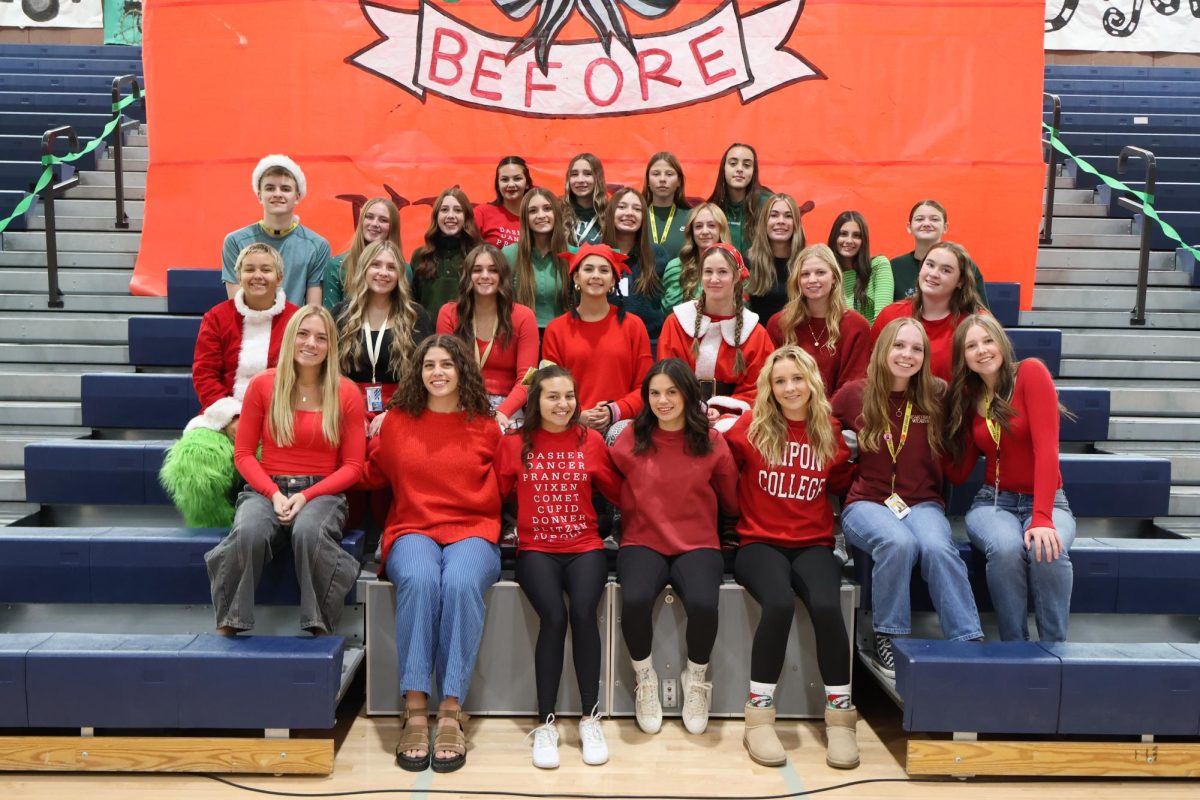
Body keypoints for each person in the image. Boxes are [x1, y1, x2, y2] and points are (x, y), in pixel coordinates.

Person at [360, 335, 502, 773]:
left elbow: (509, 480)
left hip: (473, 530)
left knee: (459, 583)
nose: (437, 372)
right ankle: (416, 706)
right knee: (421, 580)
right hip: (412, 528)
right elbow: (370, 473)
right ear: (418, 373)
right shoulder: (397, 422)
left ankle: (452, 708)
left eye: (447, 364)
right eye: (429, 365)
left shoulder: (486, 425)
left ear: (463, 371)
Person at [724, 346, 858, 770]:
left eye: (797, 378)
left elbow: (840, 476)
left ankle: (841, 719)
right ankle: (759, 716)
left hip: (813, 543)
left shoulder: (829, 432)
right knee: (779, 604)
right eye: (780, 380)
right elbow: (720, 464)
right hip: (758, 544)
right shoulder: (751, 427)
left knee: (825, 604)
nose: (789, 387)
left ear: (811, 382)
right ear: (769, 386)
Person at [832, 318, 983, 678]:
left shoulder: (937, 395)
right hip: (867, 503)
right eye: (899, 345)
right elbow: (819, 432)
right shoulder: (855, 393)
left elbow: (964, 436)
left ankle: (967, 638)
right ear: (884, 348)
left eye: (917, 348)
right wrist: (846, 464)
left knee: (937, 547)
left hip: (922, 502)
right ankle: (889, 635)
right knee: (897, 543)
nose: (907, 355)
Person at [204, 305, 364, 637]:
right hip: (266, 488)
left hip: (322, 492)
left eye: (321, 338)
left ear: (330, 346)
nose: (311, 343)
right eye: (303, 334)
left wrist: (305, 496)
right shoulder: (263, 385)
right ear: (290, 337)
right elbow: (245, 454)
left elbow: (353, 467)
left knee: (309, 533)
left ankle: (320, 628)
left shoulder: (346, 391)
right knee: (248, 532)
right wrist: (274, 494)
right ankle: (228, 624)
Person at [495, 365, 623, 769]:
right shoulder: (515, 444)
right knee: (553, 617)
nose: (563, 404)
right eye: (553, 396)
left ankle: (589, 718)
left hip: (585, 546)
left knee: (584, 614)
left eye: (569, 396)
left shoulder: (591, 441)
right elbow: (495, 495)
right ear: (536, 400)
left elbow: (619, 491)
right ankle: (546, 722)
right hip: (537, 550)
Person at [610, 360, 739, 736]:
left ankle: (696, 678)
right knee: (633, 600)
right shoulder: (631, 436)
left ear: (687, 394)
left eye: (671, 392)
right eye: (654, 393)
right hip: (642, 541)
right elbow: (607, 482)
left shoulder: (712, 441)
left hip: (697, 542)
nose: (663, 400)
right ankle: (645, 679)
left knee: (702, 603)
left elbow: (731, 498)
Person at [946, 314, 1076, 643]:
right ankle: (1014, 647)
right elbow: (958, 473)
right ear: (963, 357)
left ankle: (1054, 649)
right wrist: (940, 432)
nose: (982, 350)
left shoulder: (1031, 373)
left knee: (1047, 549)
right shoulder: (969, 396)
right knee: (1005, 549)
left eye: (988, 341)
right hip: (993, 501)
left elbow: (1047, 450)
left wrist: (1043, 518)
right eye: (971, 346)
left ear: (1002, 343)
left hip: (1046, 500)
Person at [161, 243, 299, 527]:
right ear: (238, 276)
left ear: (279, 277)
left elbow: (303, 377)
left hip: (276, 421)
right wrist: (233, 418)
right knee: (193, 463)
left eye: (265, 269)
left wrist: (264, 420)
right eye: (249, 269)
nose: (257, 275)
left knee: (286, 468)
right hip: (221, 420)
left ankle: (268, 533)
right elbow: (204, 374)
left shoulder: (297, 320)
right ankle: (218, 529)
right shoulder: (217, 317)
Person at [658, 244, 774, 431]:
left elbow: (757, 390)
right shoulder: (677, 322)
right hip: (679, 416)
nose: (714, 279)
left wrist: (722, 412)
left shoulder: (755, 332)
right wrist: (694, 410)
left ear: (736, 277)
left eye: (722, 272)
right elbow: (667, 379)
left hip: (734, 423)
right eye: (708, 272)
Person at [542, 244, 652, 432]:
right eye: (588, 269)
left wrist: (614, 411)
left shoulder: (634, 326)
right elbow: (549, 389)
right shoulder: (556, 329)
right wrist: (578, 414)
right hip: (571, 424)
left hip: (622, 425)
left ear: (613, 280)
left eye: (604, 270)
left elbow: (647, 386)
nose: (595, 275)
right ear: (576, 277)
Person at [436, 244, 539, 429]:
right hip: (460, 402)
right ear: (467, 276)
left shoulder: (524, 316)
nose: (485, 276)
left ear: (503, 276)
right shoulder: (449, 313)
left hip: (508, 406)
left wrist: (502, 412)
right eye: (477, 270)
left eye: (493, 270)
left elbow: (528, 378)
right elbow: (443, 370)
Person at [333, 239, 431, 431]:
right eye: (376, 265)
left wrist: (395, 413)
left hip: (402, 407)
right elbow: (328, 373)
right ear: (364, 269)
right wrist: (349, 411)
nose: (383, 273)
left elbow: (423, 373)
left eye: (391, 267)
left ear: (400, 275)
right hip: (346, 406)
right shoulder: (340, 314)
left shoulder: (415, 316)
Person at [222, 154, 330, 306]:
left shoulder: (318, 246)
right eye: (270, 188)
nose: (277, 194)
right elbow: (237, 306)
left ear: (297, 196)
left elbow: (313, 310)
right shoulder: (235, 242)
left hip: (295, 329)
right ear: (259, 195)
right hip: (250, 327)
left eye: (285, 189)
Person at [871, 241, 986, 382]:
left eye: (946, 270)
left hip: (954, 403)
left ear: (960, 281)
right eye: (930, 265)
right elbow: (870, 369)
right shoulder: (890, 315)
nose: (933, 274)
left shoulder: (976, 323)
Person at [767, 244, 870, 397]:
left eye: (820, 272)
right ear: (797, 280)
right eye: (805, 274)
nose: (812, 280)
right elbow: (771, 381)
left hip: (837, 417)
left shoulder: (857, 326)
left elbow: (852, 387)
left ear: (834, 277)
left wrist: (823, 417)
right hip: (787, 414)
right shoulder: (779, 324)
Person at [890, 200, 989, 308]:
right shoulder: (894, 266)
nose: (926, 224)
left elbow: (981, 313)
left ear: (945, 227)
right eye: (919, 219)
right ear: (909, 227)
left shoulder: (964, 263)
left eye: (934, 219)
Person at [602, 187, 667, 340]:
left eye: (637, 209)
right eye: (622, 207)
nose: (629, 213)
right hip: (605, 340)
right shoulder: (596, 254)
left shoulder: (657, 255)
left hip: (649, 342)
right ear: (611, 213)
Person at [503, 188, 572, 329]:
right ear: (525, 217)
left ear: (557, 214)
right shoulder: (509, 254)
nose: (541, 215)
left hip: (562, 335)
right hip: (521, 335)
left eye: (547, 209)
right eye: (533, 211)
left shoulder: (574, 254)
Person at [323, 197, 409, 310]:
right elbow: (330, 321)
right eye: (369, 217)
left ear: (393, 227)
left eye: (383, 220)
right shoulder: (337, 266)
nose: (374, 223)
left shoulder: (403, 269)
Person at [410, 187, 483, 318]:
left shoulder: (481, 255)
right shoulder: (420, 257)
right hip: (429, 337)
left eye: (458, 210)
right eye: (444, 210)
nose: (450, 216)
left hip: (470, 336)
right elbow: (411, 305)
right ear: (436, 216)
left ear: (466, 216)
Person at [660, 203, 732, 313]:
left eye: (711, 225)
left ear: (721, 230)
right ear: (691, 232)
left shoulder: (735, 267)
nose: (704, 231)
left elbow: (741, 310)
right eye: (698, 226)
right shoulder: (676, 267)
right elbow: (669, 313)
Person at [745, 193, 805, 322]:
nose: (781, 221)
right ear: (764, 221)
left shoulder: (806, 263)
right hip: (759, 339)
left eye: (788, 216)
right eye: (774, 215)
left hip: (795, 340)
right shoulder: (748, 263)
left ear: (796, 223)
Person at [828, 211, 893, 324]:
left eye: (856, 236)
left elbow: (883, 319)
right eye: (843, 234)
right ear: (834, 237)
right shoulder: (827, 273)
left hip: (875, 340)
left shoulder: (878, 265)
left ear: (864, 240)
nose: (849, 241)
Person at [707, 143, 768, 256]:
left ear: (754, 171)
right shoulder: (712, 208)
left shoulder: (768, 205)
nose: (740, 169)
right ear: (723, 168)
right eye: (733, 164)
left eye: (747, 165)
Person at [641, 152, 691, 261]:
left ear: (679, 181)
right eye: (656, 174)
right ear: (648, 180)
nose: (662, 179)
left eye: (669, 174)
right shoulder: (636, 216)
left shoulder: (691, 217)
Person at [474, 155, 531, 248]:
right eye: (504, 179)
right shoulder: (481, 213)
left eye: (517, 178)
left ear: (527, 183)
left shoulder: (536, 216)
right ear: (498, 185)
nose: (511, 184)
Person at [563, 153, 607, 246]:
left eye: (587, 174)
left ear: (598, 178)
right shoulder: (558, 211)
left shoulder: (610, 212)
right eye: (574, 174)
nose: (580, 180)